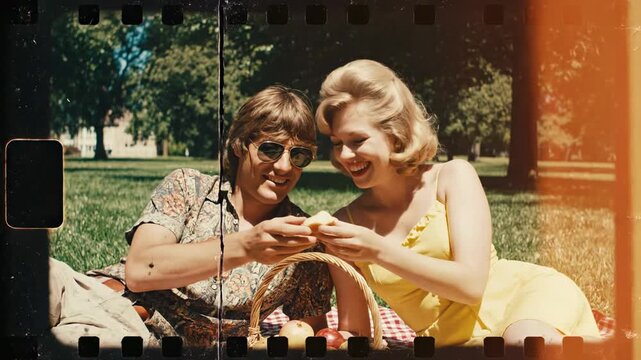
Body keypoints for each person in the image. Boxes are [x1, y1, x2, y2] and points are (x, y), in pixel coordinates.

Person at [313, 59, 601, 347]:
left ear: (395, 134)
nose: (345, 156)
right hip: (453, 344)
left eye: (357, 140)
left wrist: (377, 250)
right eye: (337, 143)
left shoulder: (452, 177)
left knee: (519, 344)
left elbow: (471, 286)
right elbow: (355, 331)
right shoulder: (345, 225)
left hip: (523, 302)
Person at [48, 85, 332, 349]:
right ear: (238, 145)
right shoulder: (188, 187)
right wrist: (246, 246)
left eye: (299, 155)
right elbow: (139, 270)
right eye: (270, 149)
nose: (284, 166)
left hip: (128, 331)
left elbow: (307, 331)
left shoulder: (304, 240)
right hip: (85, 290)